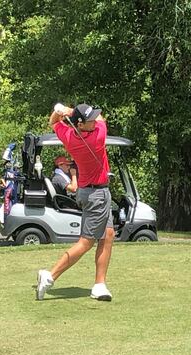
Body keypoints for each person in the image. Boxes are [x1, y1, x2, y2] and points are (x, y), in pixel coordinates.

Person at [36, 103, 115, 301]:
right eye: (89, 119)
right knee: (86, 243)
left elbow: (53, 122)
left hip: (88, 192)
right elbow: (101, 120)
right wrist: (70, 110)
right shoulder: (98, 136)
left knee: (108, 235)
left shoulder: (70, 137)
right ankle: (50, 276)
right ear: (81, 124)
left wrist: (57, 111)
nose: (94, 120)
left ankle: (99, 284)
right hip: (97, 195)